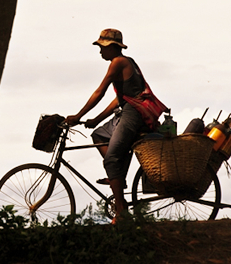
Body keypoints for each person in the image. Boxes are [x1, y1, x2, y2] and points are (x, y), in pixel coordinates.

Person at [65, 28, 168, 220]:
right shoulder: (128, 61)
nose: (100, 51)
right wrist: (96, 119)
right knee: (99, 135)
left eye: (103, 47)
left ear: (113, 47)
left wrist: (78, 115)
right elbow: (121, 98)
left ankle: (121, 212)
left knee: (111, 158)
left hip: (133, 114)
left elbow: (100, 92)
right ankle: (117, 176)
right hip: (128, 110)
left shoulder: (118, 62)